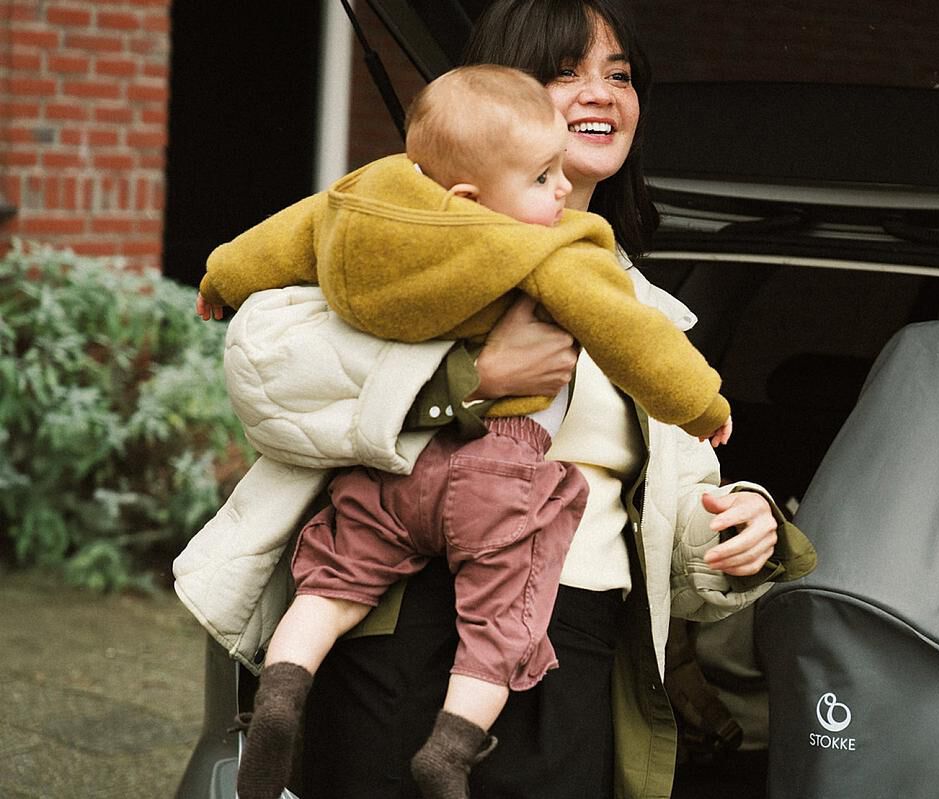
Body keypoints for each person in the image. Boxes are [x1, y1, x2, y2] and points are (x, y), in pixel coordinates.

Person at [169, 1, 814, 797]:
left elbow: (665, 541)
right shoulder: (402, 247)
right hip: (400, 620)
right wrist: (471, 380)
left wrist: (747, 523)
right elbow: (267, 370)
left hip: (572, 648)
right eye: (565, 71)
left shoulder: (643, 312)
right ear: (500, 90)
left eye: (619, 75)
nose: (601, 93)